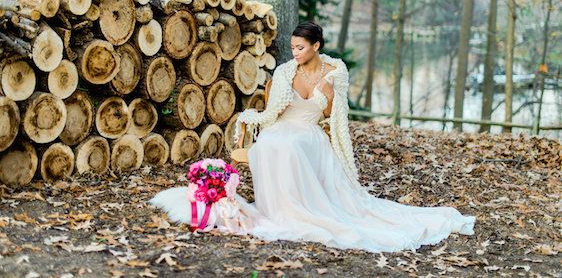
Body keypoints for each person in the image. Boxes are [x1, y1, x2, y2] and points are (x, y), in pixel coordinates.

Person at [151, 21, 475, 253]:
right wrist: (256, 119)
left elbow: (335, 117)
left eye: (300, 47)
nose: (295, 52)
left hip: (309, 131)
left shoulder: (335, 72)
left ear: (316, 46)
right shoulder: (283, 72)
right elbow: (273, 112)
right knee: (270, 143)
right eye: (292, 47)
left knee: (290, 145)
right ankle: (278, 209)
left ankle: (302, 208)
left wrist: (330, 95)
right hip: (282, 125)